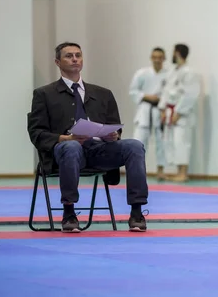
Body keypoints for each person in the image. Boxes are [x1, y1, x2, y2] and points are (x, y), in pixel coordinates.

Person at [27, 42, 149, 233]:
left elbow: (115, 127)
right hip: (65, 152)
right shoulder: (44, 94)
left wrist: (113, 135)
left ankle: (136, 211)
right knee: (72, 147)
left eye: (78, 55)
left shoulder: (103, 94)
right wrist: (65, 139)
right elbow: (36, 133)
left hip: (99, 151)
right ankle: (69, 213)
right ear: (57, 62)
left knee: (134, 146)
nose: (75, 59)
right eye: (69, 56)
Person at [158, 43, 201, 182]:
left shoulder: (190, 72)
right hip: (171, 110)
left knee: (182, 142)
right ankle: (178, 171)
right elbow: (165, 91)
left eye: (174, 52)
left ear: (178, 53)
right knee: (172, 142)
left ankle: (183, 172)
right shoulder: (172, 71)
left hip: (182, 114)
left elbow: (190, 94)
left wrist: (179, 111)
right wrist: (163, 108)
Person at [129, 47, 169, 180]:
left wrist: (162, 102)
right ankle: (137, 171)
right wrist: (147, 96)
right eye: (155, 57)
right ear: (151, 58)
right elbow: (133, 92)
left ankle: (160, 171)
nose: (157, 60)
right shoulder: (142, 73)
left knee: (161, 142)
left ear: (164, 58)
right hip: (145, 109)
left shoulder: (168, 74)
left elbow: (171, 93)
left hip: (160, 110)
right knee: (139, 142)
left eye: (160, 57)